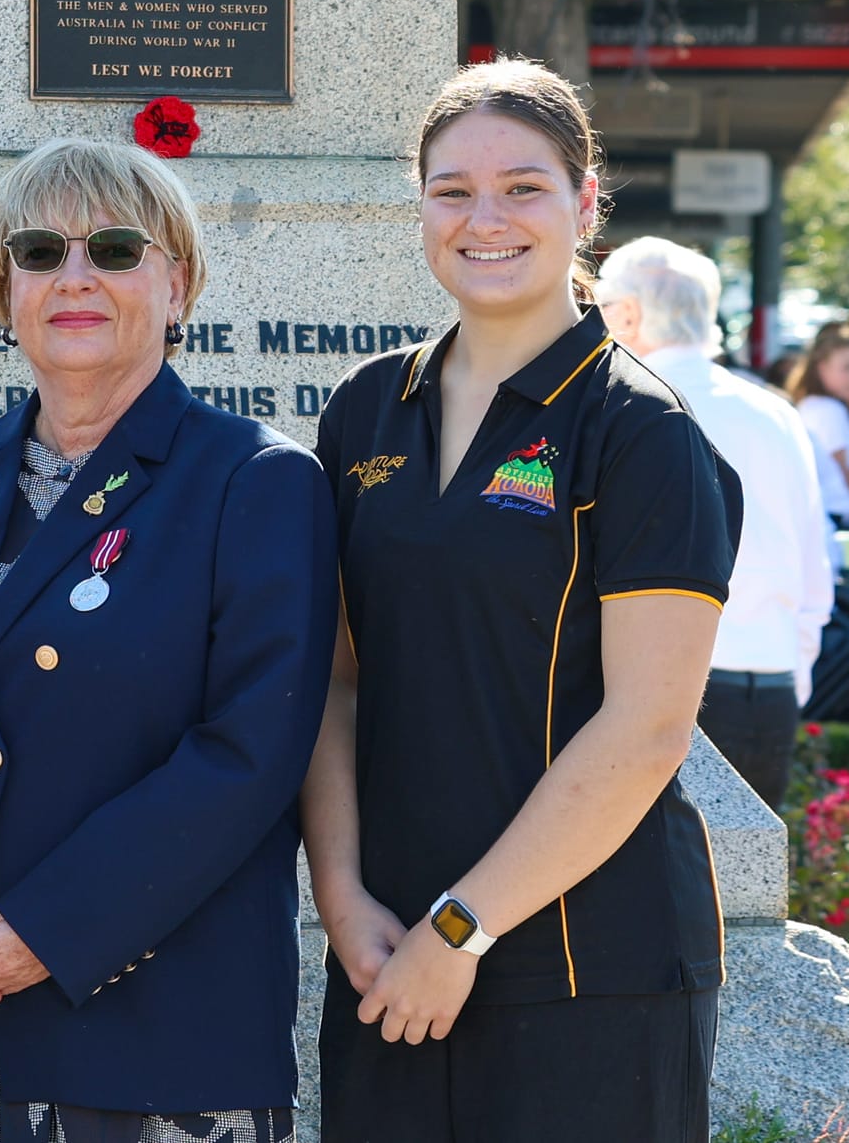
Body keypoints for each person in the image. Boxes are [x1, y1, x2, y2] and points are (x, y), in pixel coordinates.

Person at [0, 138, 336, 1142]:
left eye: (116, 248)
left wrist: (47, 930)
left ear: (176, 284)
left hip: (158, 1049)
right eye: (40, 250)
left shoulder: (252, 483)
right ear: (4, 289)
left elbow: (247, 755)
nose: (74, 276)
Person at [304, 59, 743, 1143]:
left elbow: (644, 729)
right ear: (417, 208)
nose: (482, 217)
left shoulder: (639, 431)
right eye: (450, 190)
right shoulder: (364, 411)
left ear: (584, 202)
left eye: (522, 186)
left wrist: (459, 929)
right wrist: (342, 898)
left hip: (587, 965)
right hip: (387, 958)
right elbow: (332, 683)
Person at [597, 236, 833, 810]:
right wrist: (789, 675)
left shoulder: (623, 405)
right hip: (771, 682)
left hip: (667, 696)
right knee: (749, 890)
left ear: (627, 313)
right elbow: (813, 568)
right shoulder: (776, 410)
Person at [788, 321, 849, 565]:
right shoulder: (828, 411)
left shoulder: (816, 406)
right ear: (822, 368)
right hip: (840, 521)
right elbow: (848, 481)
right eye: (847, 368)